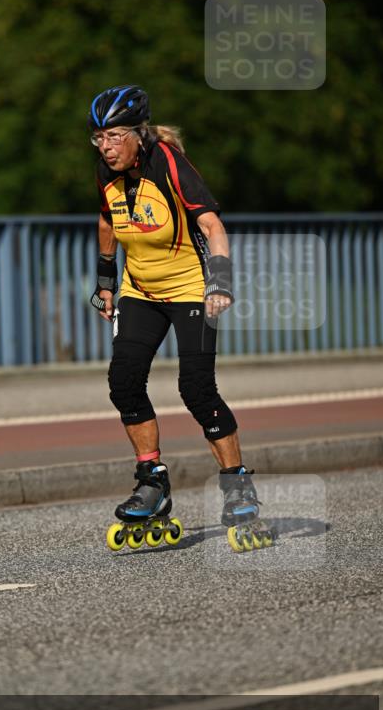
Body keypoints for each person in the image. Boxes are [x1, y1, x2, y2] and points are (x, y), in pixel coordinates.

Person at [88, 84, 261, 544]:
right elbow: (107, 219)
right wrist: (106, 283)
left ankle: (237, 484)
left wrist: (220, 281)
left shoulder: (167, 162)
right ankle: (153, 482)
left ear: (137, 134)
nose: (106, 147)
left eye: (114, 136)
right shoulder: (107, 168)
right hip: (140, 289)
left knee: (197, 388)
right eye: (98, 138)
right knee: (123, 380)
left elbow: (210, 223)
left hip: (189, 287)